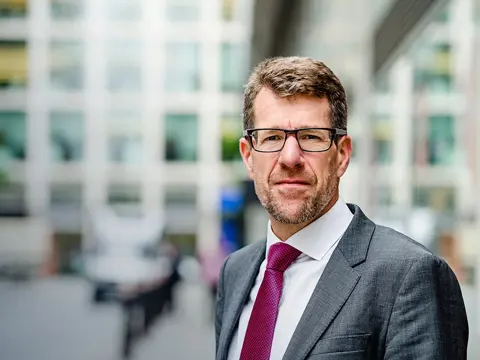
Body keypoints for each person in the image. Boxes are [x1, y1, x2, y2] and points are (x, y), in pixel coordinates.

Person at [214, 57, 468, 360]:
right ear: (248, 156)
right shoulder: (236, 272)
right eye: (272, 137)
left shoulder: (409, 276)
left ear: (343, 155)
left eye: (310, 137)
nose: (290, 157)